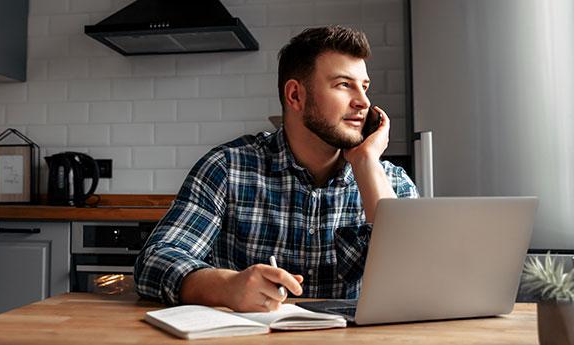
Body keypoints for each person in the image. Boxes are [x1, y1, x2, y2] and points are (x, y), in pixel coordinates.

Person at [134, 25, 419, 312]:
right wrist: (227, 287)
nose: (364, 102)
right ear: (295, 95)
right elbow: (154, 262)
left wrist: (367, 163)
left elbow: (418, 280)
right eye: (344, 85)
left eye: (364, 86)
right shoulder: (227, 168)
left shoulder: (392, 181)